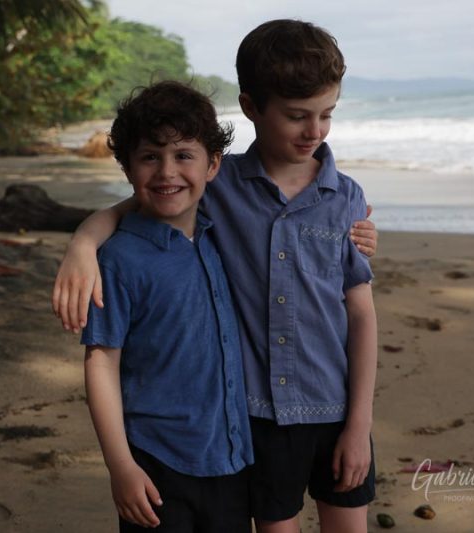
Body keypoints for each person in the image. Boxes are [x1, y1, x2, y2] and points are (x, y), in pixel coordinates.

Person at [58, 19, 379, 533]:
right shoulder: (219, 182)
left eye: (326, 114)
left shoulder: (347, 199)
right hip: (260, 417)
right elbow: (150, 196)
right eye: (297, 116)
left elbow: (360, 313)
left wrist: (360, 423)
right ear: (251, 107)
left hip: (337, 406)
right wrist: (84, 240)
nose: (314, 131)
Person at [81, 81, 254, 533]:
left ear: (213, 164)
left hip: (232, 458)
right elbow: (101, 362)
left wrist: (353, 227)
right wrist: (120, 466)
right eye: (149, 157)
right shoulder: (119, 259)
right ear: (127, 168)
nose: (166, 172)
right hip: (155, 463)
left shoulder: (223, 235)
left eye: (183, 155)